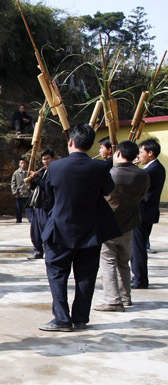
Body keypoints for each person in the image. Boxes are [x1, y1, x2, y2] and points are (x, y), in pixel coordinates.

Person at [39, 124, 117, 332]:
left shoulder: (55, 167)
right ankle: (81, 317)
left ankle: (62, 319)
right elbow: (108, 189)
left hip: (60, 229)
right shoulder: (100, 168)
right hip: (90, 231)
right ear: (91, 145)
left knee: (57, 274)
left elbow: (49, 196)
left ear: (70, 142)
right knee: (86, 275)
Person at [95, 140, 149, 312]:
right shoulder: (143, 175)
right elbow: (142, 196)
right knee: (124, 263)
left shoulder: (109, 173)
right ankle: (126, 297)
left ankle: (112, 299)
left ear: (117, 154)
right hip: (129, 223)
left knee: (108, 262)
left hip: (108, 224)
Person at [131, 138, 165, 289]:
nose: (139, 156)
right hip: (147, 212)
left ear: (151, 153)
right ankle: (139, 277)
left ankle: (140, 279)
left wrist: (132, 168)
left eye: (141, 152)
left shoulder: (151, 170)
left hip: (142, 213)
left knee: (137, 248)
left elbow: (137, 188)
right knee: (138, 247)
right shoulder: (156, 168)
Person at [27, 148, 55, 259]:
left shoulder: (54, 172)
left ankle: (48, 251)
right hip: (37, 204)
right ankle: (38, 250)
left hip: (46, 205)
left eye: (47, 159)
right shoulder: (42, 171)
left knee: (45, 230)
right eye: (43, 159)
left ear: (53, 159)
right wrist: (32, 179)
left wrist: (37, 177)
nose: (45, 161)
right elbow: (35, 186)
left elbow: (48, 187)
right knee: (35, 231)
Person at [10, 158, 31, 223]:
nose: (23, 164)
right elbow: (13, 183)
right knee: (19, 208)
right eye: (21, 163)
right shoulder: (16, 173)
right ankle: (18, 219)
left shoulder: (29, 172)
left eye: (24, 163)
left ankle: (30, 219)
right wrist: (15, 192)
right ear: (19, 164)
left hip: (28, 193)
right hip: (19, 193)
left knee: (29, 207)